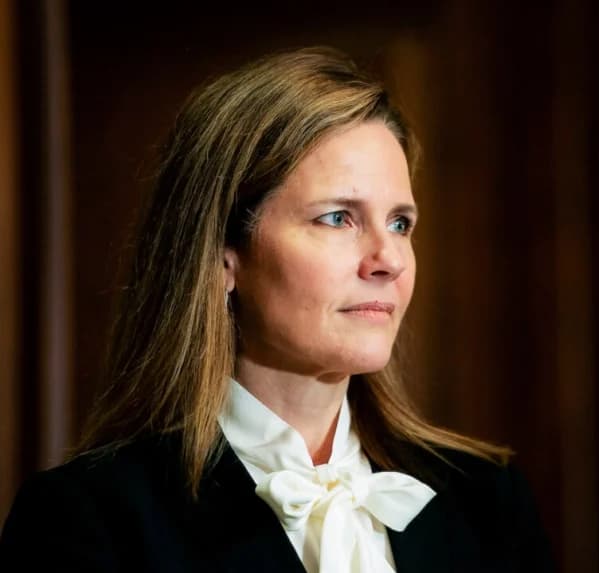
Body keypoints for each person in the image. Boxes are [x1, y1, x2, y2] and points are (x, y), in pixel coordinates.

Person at [0, 47, 555, 572]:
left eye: (400, 223)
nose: (388, 259)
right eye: (338, 217)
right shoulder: (89, 520)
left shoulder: (488, 501)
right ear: (223, 257)